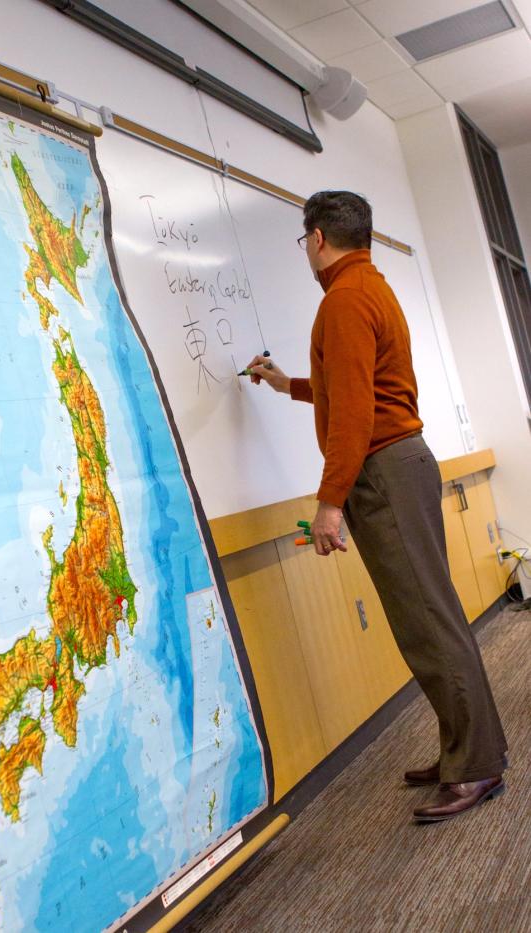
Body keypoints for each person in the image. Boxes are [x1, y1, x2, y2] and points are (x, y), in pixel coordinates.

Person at [245, 190, 507, 823]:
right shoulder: (370, 287)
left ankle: (476, 766)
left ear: (315, 239)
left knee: (428, 622)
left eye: (304, 241)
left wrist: (329, 503)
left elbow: (357, 411)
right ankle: (459, 755)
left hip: (384, 471)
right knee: (426, 620)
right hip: (398, 466)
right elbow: (351, 387)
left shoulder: (342, 299)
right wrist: (289, 385)